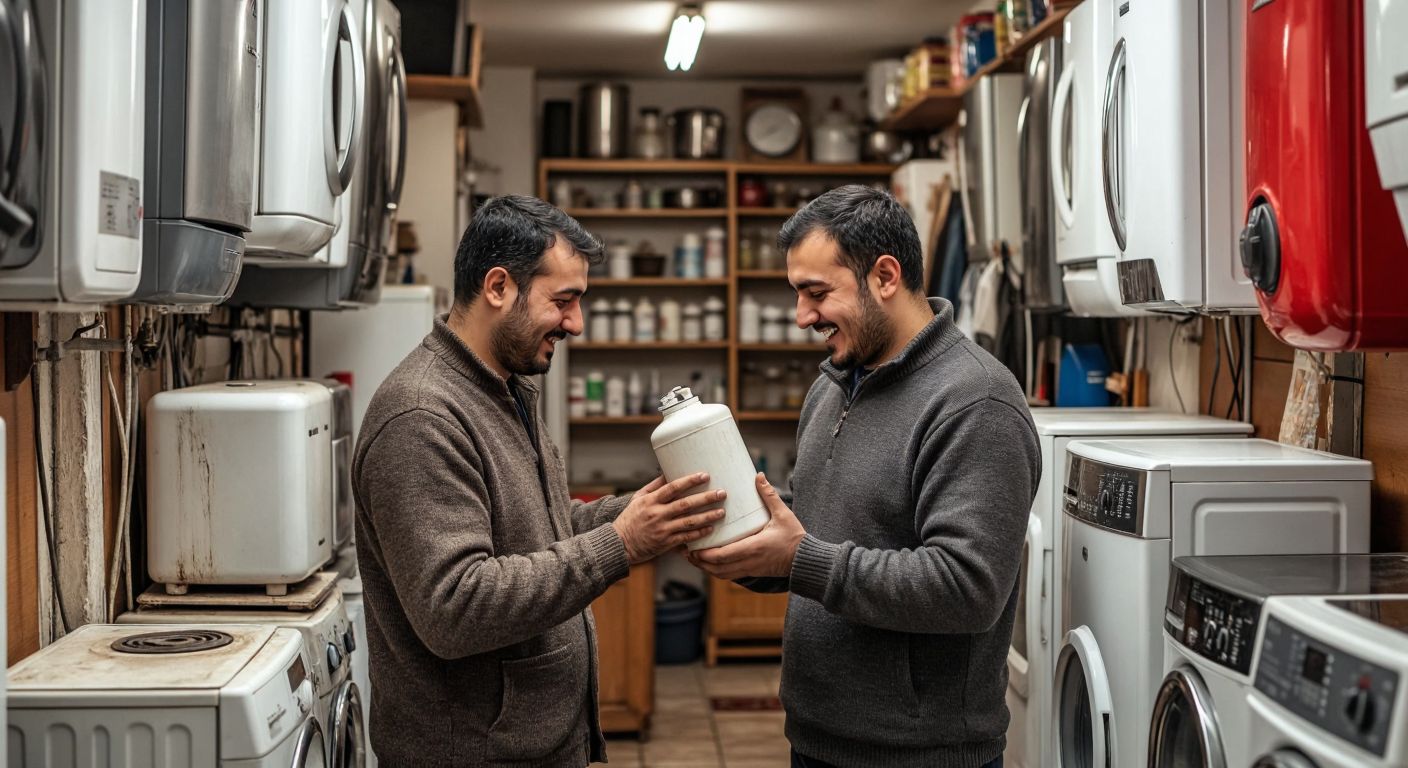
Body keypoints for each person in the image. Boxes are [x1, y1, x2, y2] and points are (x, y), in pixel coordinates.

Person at [353, 195, 726, 767]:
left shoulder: (504, 387)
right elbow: (454, 607)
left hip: (532, 747)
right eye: (564, 301)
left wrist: (648, 511)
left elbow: (542, 529)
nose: (575, 323)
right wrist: (621, 543)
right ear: (499, 287)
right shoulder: (422, 416)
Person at [690, 185, 1040, 768]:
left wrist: (796, 559)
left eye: (817, 293)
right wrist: (741, 545)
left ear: (884, 276)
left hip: (919, 755)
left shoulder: (976, 402)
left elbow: (966, 588)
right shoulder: (832, 385)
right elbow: (820, 530)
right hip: (818, 736)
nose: (802, 317)